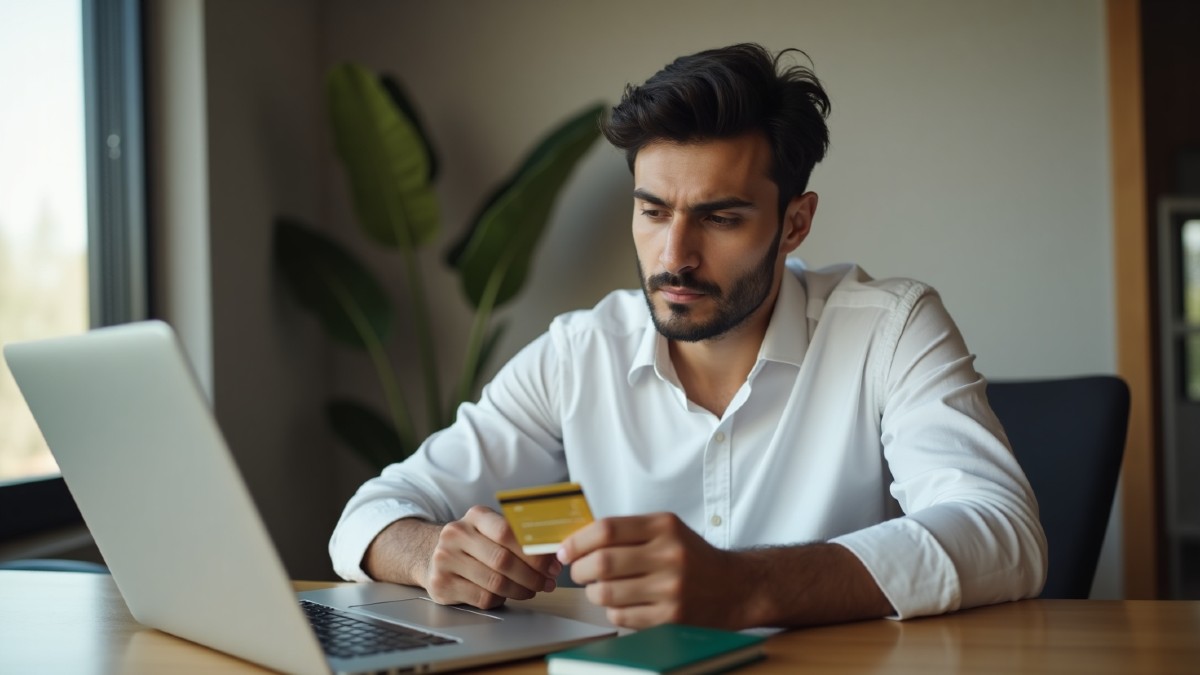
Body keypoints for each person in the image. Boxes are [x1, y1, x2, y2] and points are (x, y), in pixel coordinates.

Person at [329, 43, 1047, 630]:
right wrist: (429, 553)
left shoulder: (891, 329)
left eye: (721, 217)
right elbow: (368, 515)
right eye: (652, 211)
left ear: (794, 223)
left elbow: (1003, 534)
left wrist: (746, 587)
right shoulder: (579, 354)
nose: (674, 255)